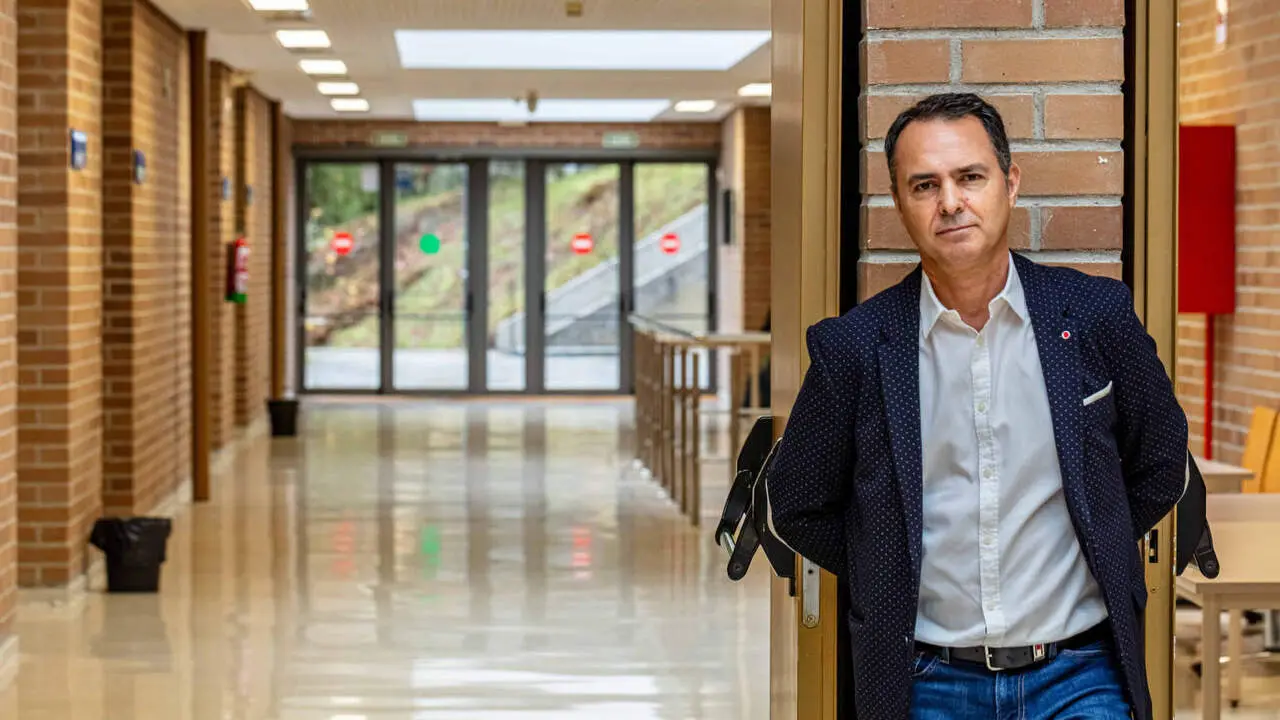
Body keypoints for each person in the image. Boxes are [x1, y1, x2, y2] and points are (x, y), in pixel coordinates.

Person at [765, 93, 1188, 720]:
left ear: (1010, 184)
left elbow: (1160, 462)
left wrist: (1094, 536)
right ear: (900, 205)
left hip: (1081, 674)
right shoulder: (854, 347)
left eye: (970, 177)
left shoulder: (1095, 318)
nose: (951, 202)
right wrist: (887, 562)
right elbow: (795, 503)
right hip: (927, 680)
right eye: (924, 185)